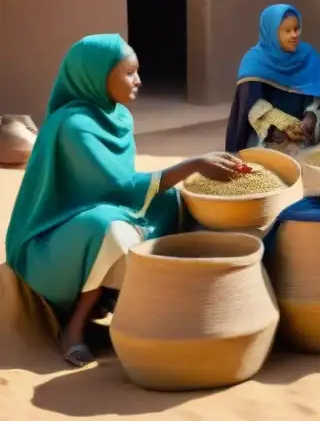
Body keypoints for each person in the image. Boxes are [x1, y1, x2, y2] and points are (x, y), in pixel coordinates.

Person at [4, 34, 246, 368]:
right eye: (129, 73)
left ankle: (139, 306)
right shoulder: (74, 126)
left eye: (137, 72)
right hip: (51, 238)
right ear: (96, 76)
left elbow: (119, 190)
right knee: (110, 229)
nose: (139, 81)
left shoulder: (118, 117)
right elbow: (115, 185)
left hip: (105, 207)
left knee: (172, 202)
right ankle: (74, 327)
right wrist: (192, 165)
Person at [225, 4, 320, 152]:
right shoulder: (254, 61)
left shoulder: (308, 54)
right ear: (270, 32)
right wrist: (283, 127)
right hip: (271, 129)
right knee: (276, 156)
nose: (294, 35)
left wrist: (311, 117)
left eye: (296, 29)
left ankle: (310, 142)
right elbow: (251, 105)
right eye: (287, 31)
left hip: (307, 124)